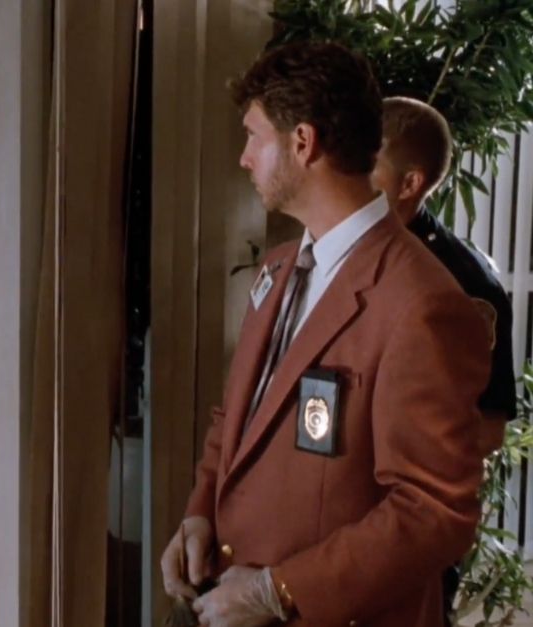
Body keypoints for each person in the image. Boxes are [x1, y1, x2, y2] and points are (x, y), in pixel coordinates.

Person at [160, 41, 492, 626]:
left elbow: (434, 511)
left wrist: (279, 591)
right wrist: (199, 513)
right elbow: (236, 420)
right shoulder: (278, 270)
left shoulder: (423, 303)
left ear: (303, 142)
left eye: (253, 137)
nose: (244, 158)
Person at [371, 94, 517, 625]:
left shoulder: (463, 284)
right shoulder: (338, 254)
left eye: (367, 165)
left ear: (409, 184)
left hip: (406, 528)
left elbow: (486, 429)